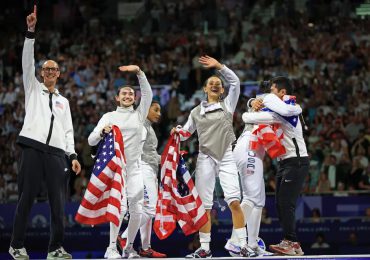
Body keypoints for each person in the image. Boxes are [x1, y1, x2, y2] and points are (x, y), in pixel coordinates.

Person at [9, 7, 81, 260]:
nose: (50, 72)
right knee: (26, 198)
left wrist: (72, 154)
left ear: (59, 75)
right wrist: (30, 32)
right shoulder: (33, 88)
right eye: (46, 69)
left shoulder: (64, 101)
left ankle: (56, 249)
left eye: (54, 70)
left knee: (58, 203)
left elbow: (68, 130)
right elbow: (26, 61)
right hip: (32, 147)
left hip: (57, 155)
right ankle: (16, 245)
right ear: (41, 74)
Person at [173, 55, 256, 257]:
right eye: (211, 83)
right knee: (204, 206)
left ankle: (242, 245)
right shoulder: (195, 112)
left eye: (218, 83)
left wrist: (220, 67)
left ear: (222, 89)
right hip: (205, 158)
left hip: (227, 156)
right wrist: (177, 131)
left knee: (234, 202)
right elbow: (186, 132)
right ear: (205, 89)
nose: (215, 85)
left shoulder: (228, 104)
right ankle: (204, 248)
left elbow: (235, 81)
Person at [227, 87, 302, 256]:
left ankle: (252, 244)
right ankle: (234, 241)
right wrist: (297, 107)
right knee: (252, 197)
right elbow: (253, 109)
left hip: (254, 152)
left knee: (259, 201)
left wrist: (251, 102)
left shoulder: (270, 106)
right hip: (249, 148)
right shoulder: (268, 106)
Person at [88, 65, 153, 258]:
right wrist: (102, 131)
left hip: (135, 168)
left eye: (131, 94)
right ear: (117, 98)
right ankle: (110, 248)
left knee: (137, 210)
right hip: (116, 170)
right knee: (120, 207)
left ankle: (129, 248)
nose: (127, 95)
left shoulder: (139, 115)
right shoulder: (109, 116)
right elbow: (91, 140)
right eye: (124, 93)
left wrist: (140, 72)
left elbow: (147, 93)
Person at [243, 76, 309, 256]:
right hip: (285, 162)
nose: (268, 95)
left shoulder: (290, 110)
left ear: (282, 93)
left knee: (286, 203)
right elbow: (252, 113)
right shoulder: (281, 111)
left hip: (296, 161)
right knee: (280, 203)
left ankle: (292, 242)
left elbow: (248, 117)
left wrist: (260, 100)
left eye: (272, 91)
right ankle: (290, 241)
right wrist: (252, 101)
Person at [117, 101, 166, 258]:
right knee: (150, 210)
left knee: (147, 210)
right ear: (146, 109)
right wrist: (168, 158)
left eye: (160, 111)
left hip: (149, 169)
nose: (159, 113)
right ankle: (124, 237)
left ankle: (146, 247)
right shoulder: (141, 126)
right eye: (156, 109)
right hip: (143, 168)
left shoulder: (148, 127)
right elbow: (143, 153)